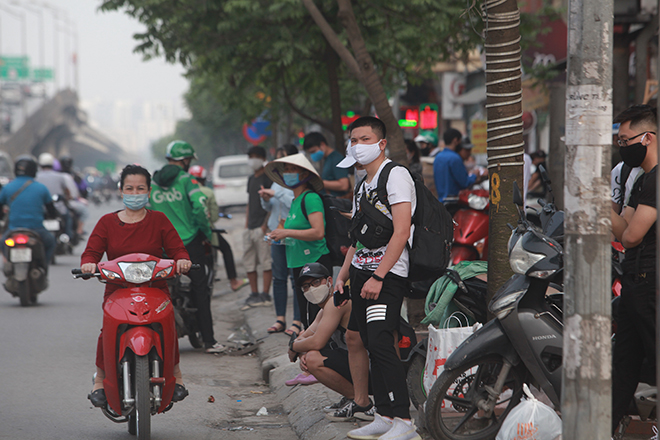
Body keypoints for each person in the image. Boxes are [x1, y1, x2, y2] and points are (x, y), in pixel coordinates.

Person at [334, 116, 422, 440]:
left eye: (365, 139)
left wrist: (379, 276)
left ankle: (405, 422)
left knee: (383, 344)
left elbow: (401, 232)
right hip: (360, 274)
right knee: (369, 342)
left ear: (381, 143)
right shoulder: (362, 185)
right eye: (353, 140)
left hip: (386, 276)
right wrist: (342, 276)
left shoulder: (395, 176)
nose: (358, 146)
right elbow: (357, 240)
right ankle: (383, 415)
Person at [80, 164, 191, 407]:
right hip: (117, 290)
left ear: (149, 191)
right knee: (107, 331)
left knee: (168, 326)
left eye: (140, 188)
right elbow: (91, 253)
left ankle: (177, 375)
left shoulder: (159, 220)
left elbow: (177, 249)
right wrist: (89, 265)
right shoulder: (106, 223)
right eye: (129, 188)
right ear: (121, 191)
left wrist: (182, 260)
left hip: (155, 287)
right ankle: (100, 380)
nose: (134, 192)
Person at [149, 140, 225, 353]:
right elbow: (200, 209)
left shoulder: (152, 183)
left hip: (160, 246)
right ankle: (209, 341)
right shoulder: (187, 180)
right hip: (189, 243)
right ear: (185, 160)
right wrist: (206, 233)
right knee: (200, 287)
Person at [610, 104, 658, 434]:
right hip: (634, 282)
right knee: (623, 364)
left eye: (626, 141)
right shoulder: (640, 179)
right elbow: (622, 226)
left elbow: (630, 235)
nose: (622, 148)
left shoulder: (655, 182)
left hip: (650, 282)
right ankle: (604, 426)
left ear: (648, 138)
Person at [287, 263, 375, 422]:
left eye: (316, 283)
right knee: (311, 355)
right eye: (306, 287)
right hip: (358, 368)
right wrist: (300, 350)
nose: (312, 289)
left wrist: (294, 347)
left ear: (329, 281)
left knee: (314, 358)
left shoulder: (337, 302)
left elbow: (316, 342)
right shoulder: (324, 310)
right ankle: (354, 399)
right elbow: (305, 336)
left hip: (370, 368)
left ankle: (361, 402)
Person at [264, 153, 332, 329]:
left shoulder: (311, 198)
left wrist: (286, 232)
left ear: (304, 174)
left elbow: (318, 232)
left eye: (292, 170)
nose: (288, 173)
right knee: (306, 317)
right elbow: (296, 233)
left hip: (314, 263)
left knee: (318, 317)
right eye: (286, 170)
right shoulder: (295, 201)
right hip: (297, 263)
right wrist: (279, 236)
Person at [259, 144, 303, 336]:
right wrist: (266, 198)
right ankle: (280, 319)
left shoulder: (298, 183)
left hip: (293, 234)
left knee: (296, 279)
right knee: (279, 277)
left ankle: (297, 321)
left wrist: (276, 194)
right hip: (276, 233)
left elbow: (293, 202)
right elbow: (269, 208)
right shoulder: (277, 182)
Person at [188, 164, 248, 292]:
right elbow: (214, 217)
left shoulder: (184, 192)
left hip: (188, 232)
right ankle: (233, 281)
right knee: (226, 249)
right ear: (203, 179)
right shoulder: (208, 192)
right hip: (206, 230)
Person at [0, 155, 57, 266]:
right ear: (34, 170)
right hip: (36, 229)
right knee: (51, 242)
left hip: (13, 229)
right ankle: (43, 267)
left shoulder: (8, 187)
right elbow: (51, 209)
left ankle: (8, 264)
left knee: (2, 243)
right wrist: (52, 216)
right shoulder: (41, 188)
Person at [242, 145, 274, 309]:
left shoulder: (268, 178)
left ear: (262, 158)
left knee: (266, 261)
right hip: (251, 226)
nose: (252, 159)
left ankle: (265, 294)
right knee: (249, 261)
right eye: (250, 156)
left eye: (255, 156)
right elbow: (250, 203)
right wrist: (247, 224)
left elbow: (272, 204)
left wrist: (265, 225)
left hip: (263, 227)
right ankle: (254, 293)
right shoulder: (251, 179)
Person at [433, 129, 486, 214]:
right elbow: (464, 182)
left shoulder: (438, 157)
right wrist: (474, 175)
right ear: (455, 140)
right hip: (454, 203)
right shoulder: (455, 158)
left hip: (441, 202)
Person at [36, 152, 78, 239]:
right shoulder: (60, 176)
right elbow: (67, 191)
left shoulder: (35, 177)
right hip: (58, 208)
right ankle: (68, 236)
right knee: (68, 217)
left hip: (40, 208)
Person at [303, 132, 351, 198]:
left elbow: (344, 185)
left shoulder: (336, 159)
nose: (312, 155)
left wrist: (320, 183)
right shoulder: (327, 159)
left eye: (313, 151)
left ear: (322, 144)